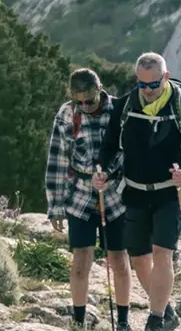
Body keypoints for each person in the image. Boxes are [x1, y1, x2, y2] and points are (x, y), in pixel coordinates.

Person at [93, 52, 181, 331]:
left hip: (169, 193)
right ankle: (166, 309)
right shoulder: (126, 105)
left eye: (153, 85)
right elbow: (109, 147)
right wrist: (103, 171)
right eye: (141, 84)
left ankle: (154, 320)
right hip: (134, 192)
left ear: (164, 78)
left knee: (162, 252)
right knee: (139, 258)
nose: (147, 90)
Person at [45, 68, 133, 329]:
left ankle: (124, 321)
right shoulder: (66, 114)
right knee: (81, 259)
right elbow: (57, 161)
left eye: (89, 101)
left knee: (118, 259)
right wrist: (55, 206)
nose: (84, 106)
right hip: (80, 197)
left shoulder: (119, 110)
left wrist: (111, 173)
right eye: (78, 101)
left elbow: (131, 152)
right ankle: (79, 321)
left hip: (115, 196)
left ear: (100, 90)